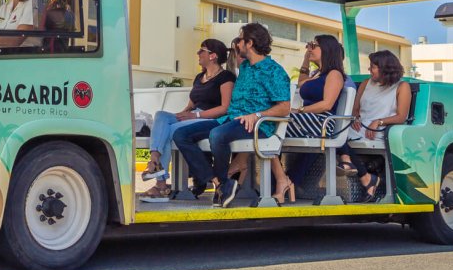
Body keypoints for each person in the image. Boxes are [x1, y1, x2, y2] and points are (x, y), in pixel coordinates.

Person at [172, 23, 292, 208]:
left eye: (240, 41)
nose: (237, 46)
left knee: (217, 135)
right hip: (230, 119)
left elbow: (284, 107)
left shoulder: (274, 71)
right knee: (181, 135)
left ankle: (224, 183)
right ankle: (220, 182)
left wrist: (257, 114)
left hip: (258, 124)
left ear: (249, 43)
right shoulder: (245, 68)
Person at [140, 39, 235, 202]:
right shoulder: (199, 77)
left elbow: (224, 108)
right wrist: (179, 116)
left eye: (201, 51)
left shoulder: (226, 77)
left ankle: (160, 184)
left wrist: (195, 116)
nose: (198, 54)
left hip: (209, 118)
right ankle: (155, 160)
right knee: (162, 116)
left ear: (212, 56)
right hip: (193, 115)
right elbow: (190, 106)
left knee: (170, 131)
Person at [337, 49, 412, 202]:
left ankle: (360, 172)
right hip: (360, 127)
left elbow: (401, 116)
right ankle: (365, 176)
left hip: (380, 129)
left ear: (385, 68)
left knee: (338, 138)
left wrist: (380, 121)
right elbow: (355, 109)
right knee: (334, 134)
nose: (369, 70)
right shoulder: (366, 84)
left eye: (372, 67)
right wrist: (355, 118)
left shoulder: (402, 87)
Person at [284, 35, 354, 191]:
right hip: (308, 120)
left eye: (314, 45)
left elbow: (326, 104)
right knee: (272, 124)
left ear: (327, 49)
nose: (310, 48)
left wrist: (300, 110)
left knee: (272, 124)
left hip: (321, 123)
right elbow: (302, 84)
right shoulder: (317, 74)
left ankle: (284, 180)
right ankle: (286, 180)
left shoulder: (334, 74)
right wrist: (305, 59)